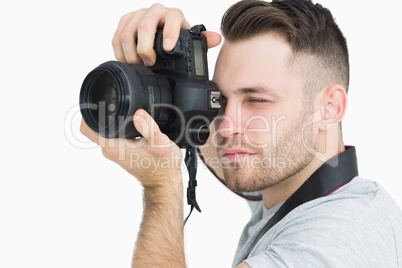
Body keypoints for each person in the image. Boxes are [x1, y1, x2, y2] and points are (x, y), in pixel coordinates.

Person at [80, 0, 402, 267]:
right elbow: (204, 131)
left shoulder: (330, 244)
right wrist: (176, 65)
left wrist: (161, 188)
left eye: (256, 100)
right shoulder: (307, 185)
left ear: (330, 108)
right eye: (219, 99)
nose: (225, 126)